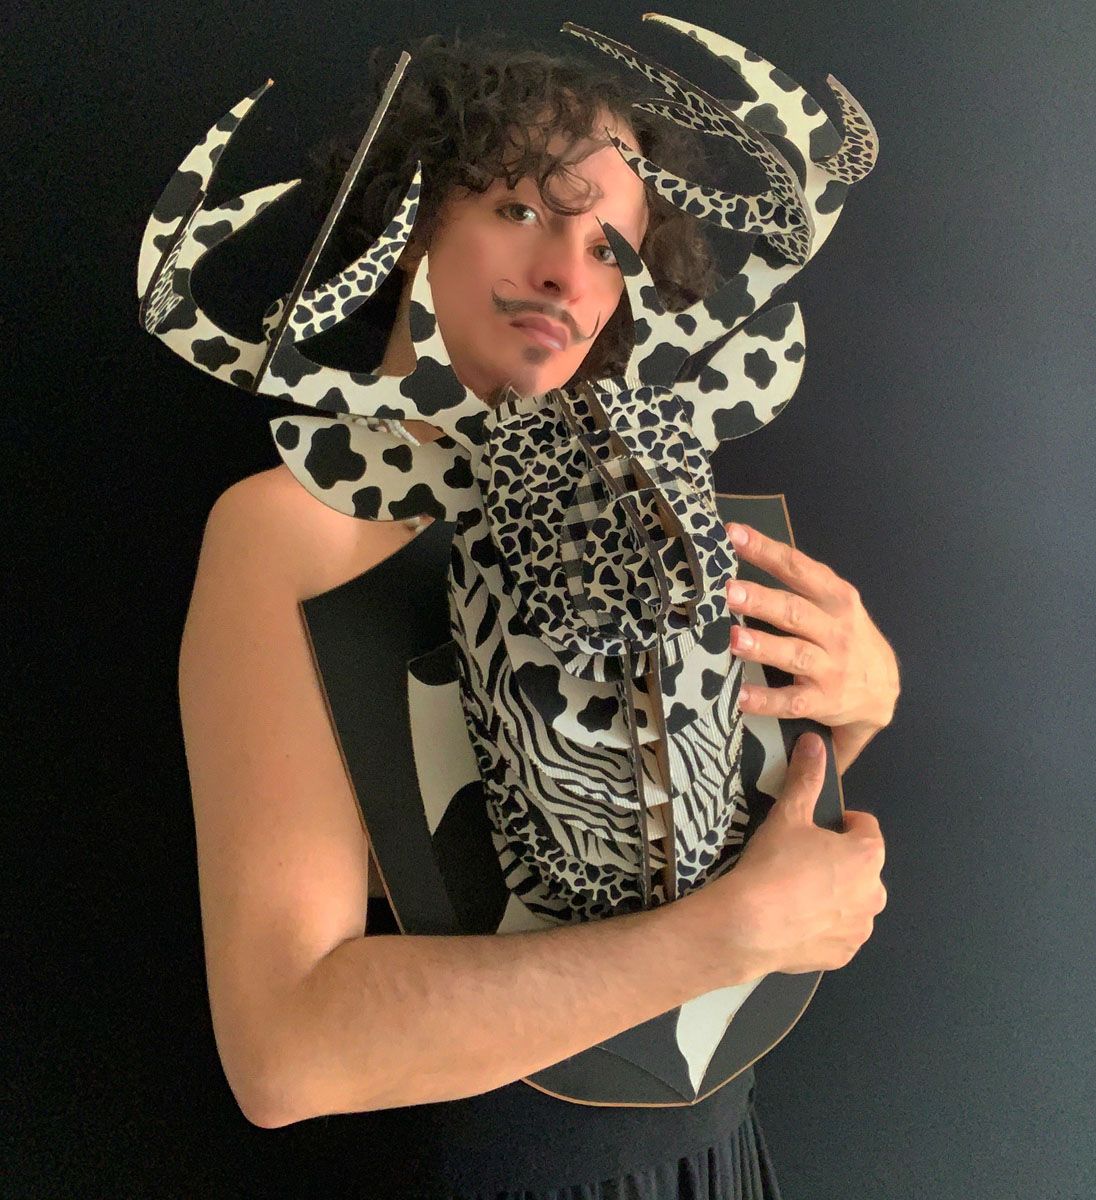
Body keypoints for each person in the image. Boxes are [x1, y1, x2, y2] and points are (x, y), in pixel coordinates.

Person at [177, 29, 899, 1198]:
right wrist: (724, 939)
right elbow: (287, 1051)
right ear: (413, 220)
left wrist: (857, 707)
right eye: (521, 208)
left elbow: (710, 819)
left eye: (610, 244)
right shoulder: (298, 530)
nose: (569, 273)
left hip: (717, 1157)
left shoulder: (646, 493)